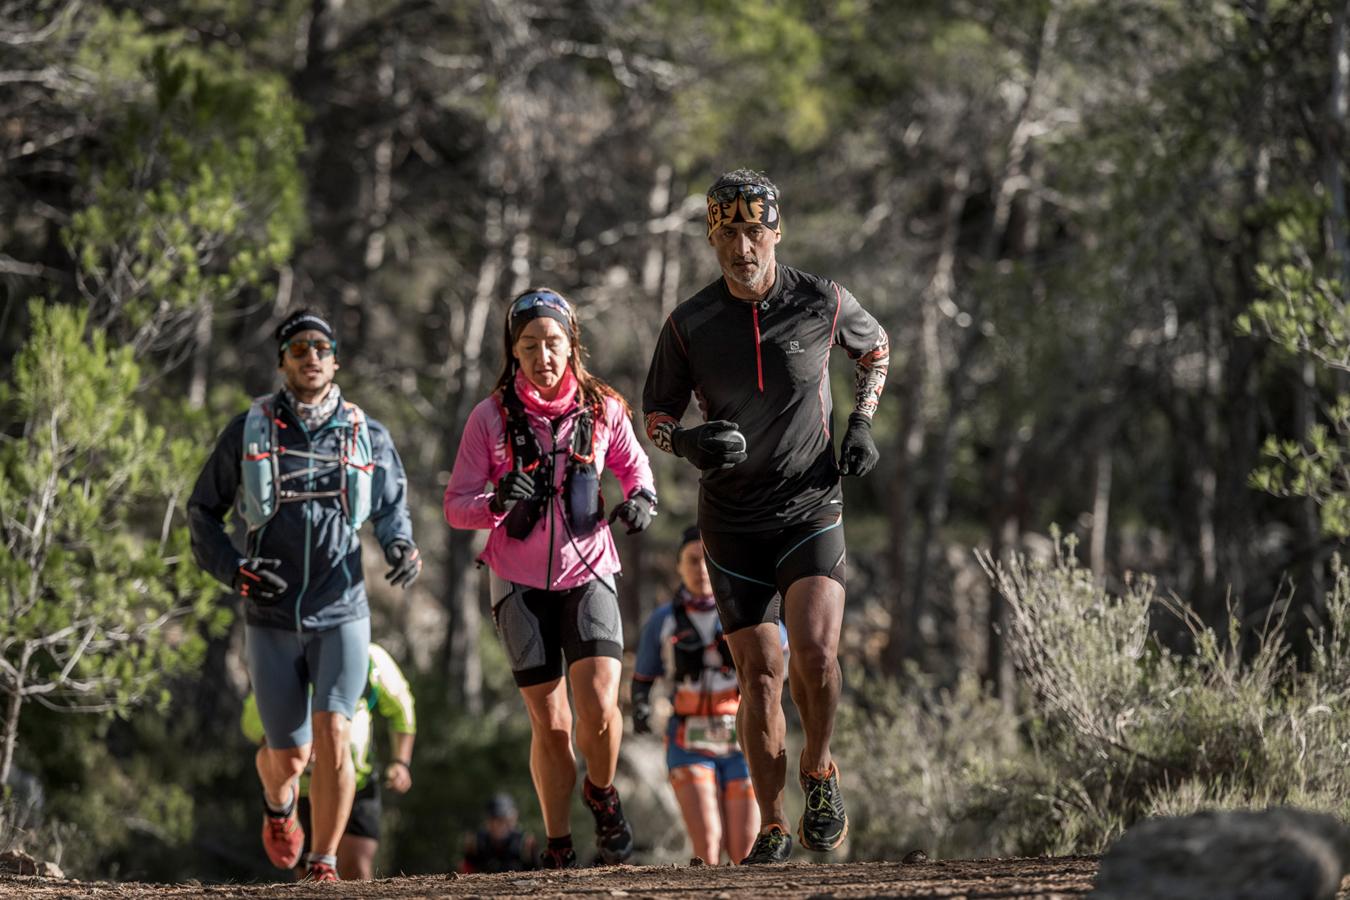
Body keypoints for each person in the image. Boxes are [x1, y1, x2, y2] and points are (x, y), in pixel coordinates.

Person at [641, 170, 890, 864]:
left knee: (815, 653)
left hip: (811, 504)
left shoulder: (821, 300)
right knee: (761, 677)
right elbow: (654, 413)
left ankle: (820, 768)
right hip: (731, 522)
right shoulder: (689, 323)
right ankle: (773, 824)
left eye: (754, 231)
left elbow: (876, 350)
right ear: (712, 239)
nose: (742, 247)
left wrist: (862, 425)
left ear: (776, 231)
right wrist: (684, 441)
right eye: (727, 233)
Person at [190, 308, 422, 882]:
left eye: (321, 347)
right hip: (269, 614)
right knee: (290, 757)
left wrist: (400, 545)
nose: (310, 357)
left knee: (336, 734)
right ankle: (278, 805)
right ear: (282, 362)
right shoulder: (250, 429)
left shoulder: (367, 432)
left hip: (341, 608)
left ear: (335, 359)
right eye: (298, 349)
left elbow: (393, 505)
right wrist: (235, 570)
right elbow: (202, 513)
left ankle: (323, 864)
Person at [444, 287, 657, 869]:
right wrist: (494, 501)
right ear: (513, 352)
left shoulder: (603, 406)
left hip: (590, 570)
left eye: (553, 343)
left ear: (571, 346)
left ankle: (602, 792)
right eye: (529, 345)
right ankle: (559, 843)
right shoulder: (489, 418)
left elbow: (636, 470)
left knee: (600, 707)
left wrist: (640, 502)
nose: (543, 355)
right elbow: (456, 504)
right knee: (552, 721)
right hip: (517, 580)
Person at [632, 526, 787, 865]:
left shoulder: (745, 613)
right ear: (678, 566)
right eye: (691, 560)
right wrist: (641, 707)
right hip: (688, 742)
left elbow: (782, 654)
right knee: (708, 843)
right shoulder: (663, 620)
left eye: (706, 560)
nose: (701, 569)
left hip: (742, 742)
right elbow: (642, 678)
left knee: (745, 847)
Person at [241, 642, 417, 880]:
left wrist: (401, 762)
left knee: (356, 866)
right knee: (308, 876)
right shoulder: (294, 661)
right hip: (304, 789)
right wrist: (295, 745)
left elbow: (402, 708)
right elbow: (253, 719)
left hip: (359, 780)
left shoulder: (371, 660)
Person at [459, 793, 539, 873]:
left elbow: (538, 874)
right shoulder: (477, 843)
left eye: (503, 819)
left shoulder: (525, 844)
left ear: (513, 818)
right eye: (494, 819)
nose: (498, 825)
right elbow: (466, 872)